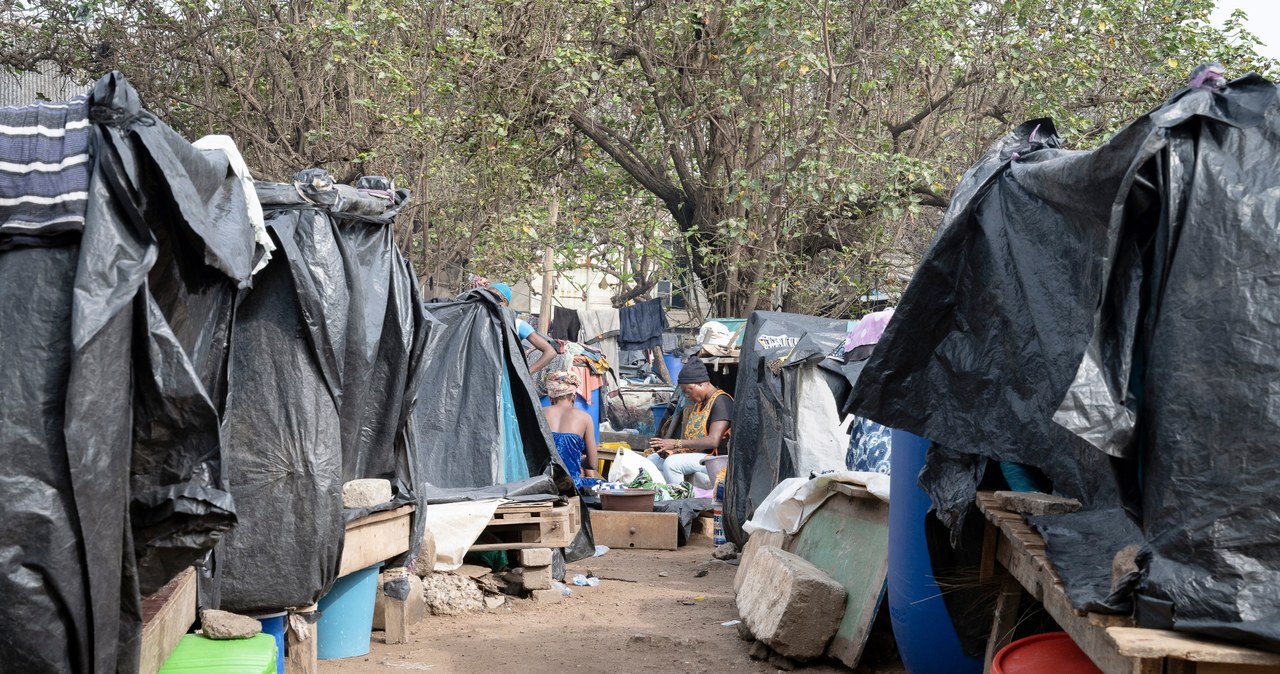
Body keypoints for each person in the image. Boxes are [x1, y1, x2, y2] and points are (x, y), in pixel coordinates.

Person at [647, 357, 732, 489]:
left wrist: (676, 443)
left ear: (701, 383)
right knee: (652, 461)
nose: (687, 395)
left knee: (672, 464)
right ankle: (662, 495)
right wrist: (674, 450)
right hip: (700, 457)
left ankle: (680, 502)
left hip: (716, 461)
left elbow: (713, 441)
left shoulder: (721, 401)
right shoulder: (699, 404)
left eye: (688, 391)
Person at [486, 282, 557, 374]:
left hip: (505, 380)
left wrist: (526, 374)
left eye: (491, 298)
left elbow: (550, 352)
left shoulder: (517, 324)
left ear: (503, 302)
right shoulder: (479, 322)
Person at [543, 370, 599, 480]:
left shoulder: (539, 412)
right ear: (573, 396)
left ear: (551, 397)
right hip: (570, 485)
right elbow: (593, 464)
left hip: (541, 483)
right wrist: (573, 457)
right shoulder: (585, 418)